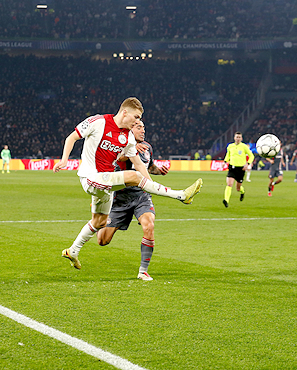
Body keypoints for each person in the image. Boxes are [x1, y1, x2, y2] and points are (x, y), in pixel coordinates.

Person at [53, 97, 203, 271]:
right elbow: (71, 137)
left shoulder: (128, 137)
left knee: (99, 222)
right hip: (90, 177)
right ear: (125, 113)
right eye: (136, 117)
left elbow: (139, 164)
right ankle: (181, 195)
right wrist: (64, 160)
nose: (137, 121)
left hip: (106, 183)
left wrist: (151, 186)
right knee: (133, 176)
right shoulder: (98, 121)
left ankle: (73, 250)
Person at [97, 120, 169, 281]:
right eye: (139, 127)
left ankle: (143, 271)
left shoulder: (147, 147)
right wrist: (132, 149)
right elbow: (119, 158)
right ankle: (98, 216)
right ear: (130, 130)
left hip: (141, 196)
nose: (143, 130)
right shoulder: (120, 144)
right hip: (120, 197)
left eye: (144, 127)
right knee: (102, 240)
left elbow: (149, 167)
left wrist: (158, 171)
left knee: (149, 225)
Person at [222, 131, 254, 207]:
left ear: (241, 138)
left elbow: (251, 156)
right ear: (234, 138)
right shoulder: (230, 146)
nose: (238, 138)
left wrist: (248, 163)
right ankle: (226, 200)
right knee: (229, 184)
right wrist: (225, 162)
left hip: (241, 169)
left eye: (239, 137)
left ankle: (242, 192)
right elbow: (228, 155)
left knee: (238, 188)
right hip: (232, 167)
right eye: (237, 137)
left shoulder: (244, 147)